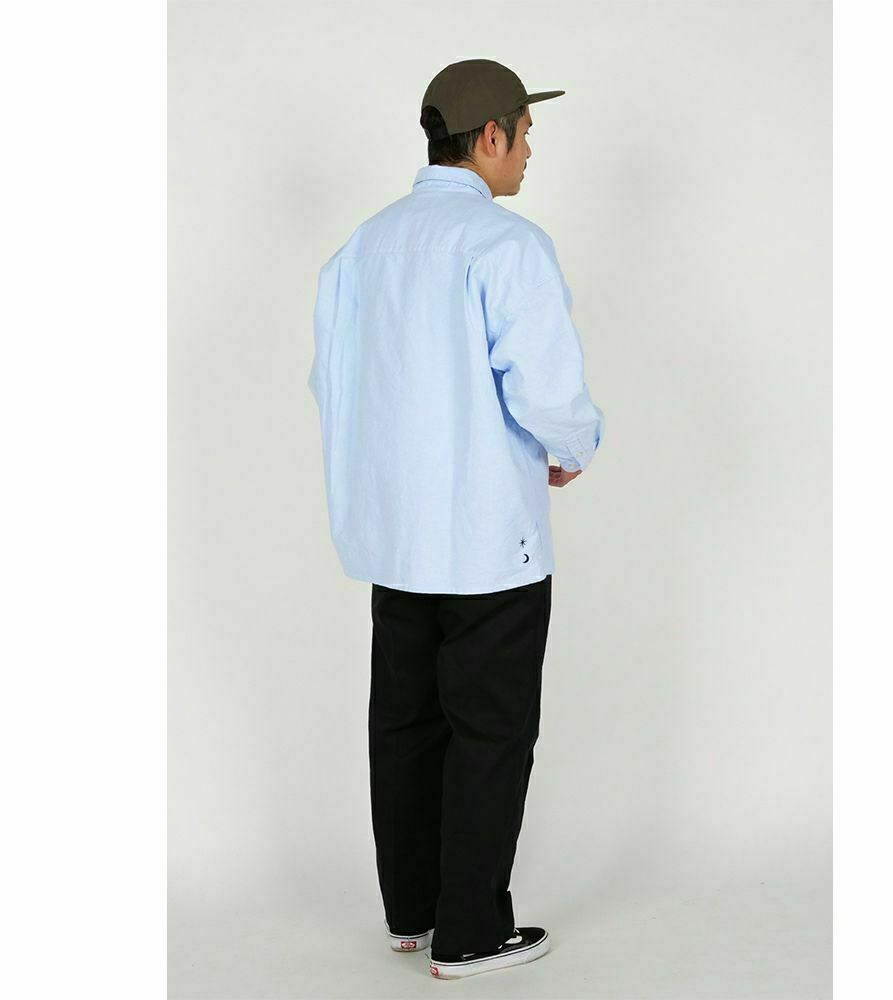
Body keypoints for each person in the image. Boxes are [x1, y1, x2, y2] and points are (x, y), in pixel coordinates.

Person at [308, 58, 605, 980]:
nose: (529, 155)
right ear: (491, 136)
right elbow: (546, 389)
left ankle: (413, 912)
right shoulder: (505, 245)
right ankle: (470, 932)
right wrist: (573, 446)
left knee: (405, 723)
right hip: (486, 542)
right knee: (489, 733)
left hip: (392, 538)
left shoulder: (363, 247)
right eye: (526, 136)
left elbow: (330, 383)